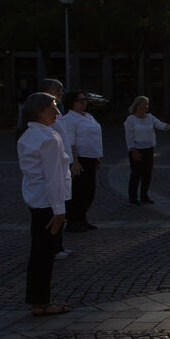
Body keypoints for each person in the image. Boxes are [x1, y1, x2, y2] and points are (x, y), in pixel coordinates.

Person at [18, 92, 72, 315]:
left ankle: (38, 300)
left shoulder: (29, 135)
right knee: (45, 254)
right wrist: (59, 211)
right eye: (52, 107)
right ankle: (41, 302)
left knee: (39, 252)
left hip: (37, 200)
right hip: (48, 203)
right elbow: (53, 178)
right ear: (39, 111)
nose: (57, 112)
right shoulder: (48, 138)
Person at [124, 96, 170, 205]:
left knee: (147, 174)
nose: (146, 106)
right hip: (136, 150)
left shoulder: (150, 117)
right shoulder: (130, 120)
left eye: (147, 104)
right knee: (136, 174)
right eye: (144, 104)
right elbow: (129, 136)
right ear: (138, 105)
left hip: (148, 150)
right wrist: (133, 149)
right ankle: (133, 197)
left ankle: (144, 196)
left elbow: (159, 124)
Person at [59, 90, 103, 233]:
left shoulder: (88, 116)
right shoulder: (69, 119)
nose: (83, 103)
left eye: (85, 100)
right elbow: (70, 141)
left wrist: (96, 156)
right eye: (80, 100)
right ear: (72, 103)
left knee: (89, 191)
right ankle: (73, 221)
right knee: (78, 191)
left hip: (90, 157)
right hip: (79, 158)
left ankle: (82, 218)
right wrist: (75, 161)